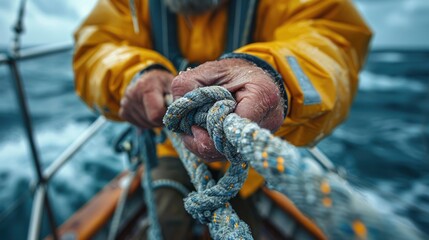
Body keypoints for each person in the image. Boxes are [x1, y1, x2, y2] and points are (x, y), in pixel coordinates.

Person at [73, 0, 372, 239]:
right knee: (166, 218)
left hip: (245, 164)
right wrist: (132, 76)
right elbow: (96, 48)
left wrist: (276, 76)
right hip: (169, 145)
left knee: (244, 223)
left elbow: (332, 37)